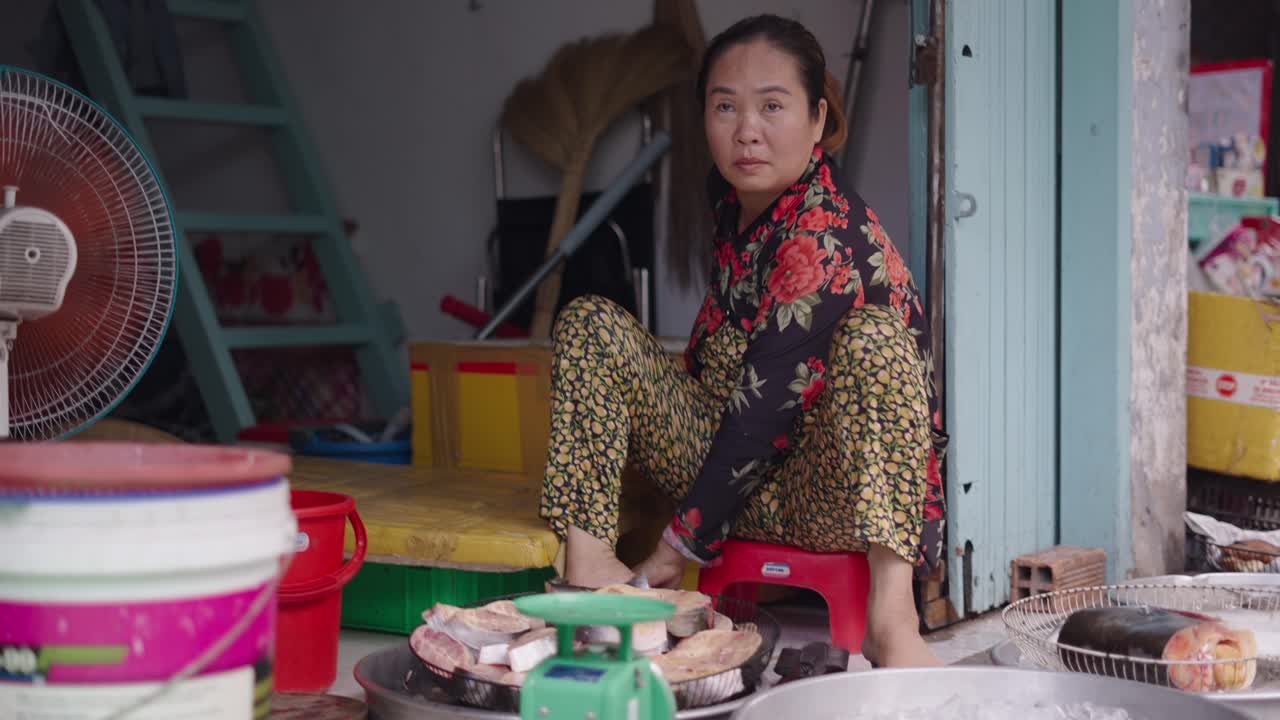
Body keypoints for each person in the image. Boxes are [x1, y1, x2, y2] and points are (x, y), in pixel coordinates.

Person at [538, 13, 948, 668]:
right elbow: (726, 391)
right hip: (726, 475)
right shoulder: (730, 200)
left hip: (830, 491)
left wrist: (673, 551)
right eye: (725, 107)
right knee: (590, 320)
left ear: (817, 121)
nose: (746, 131)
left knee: (877, 340)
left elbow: (762, 415)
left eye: (772, 106)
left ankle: (892, 618)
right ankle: (589, 558)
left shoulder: (826, 228)